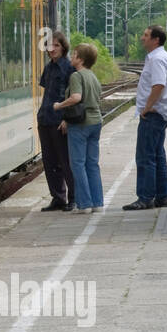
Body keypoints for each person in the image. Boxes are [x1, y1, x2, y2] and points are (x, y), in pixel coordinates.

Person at [123, 24, 167, 210]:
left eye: (146, 35)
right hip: (162, 113)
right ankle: (163, 196)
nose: (142, 38)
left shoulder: (156, 59)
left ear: (156, 39)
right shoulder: (164, 57)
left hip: (154, 114)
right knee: (157, 155)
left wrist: (147, 108)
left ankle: (145, 197)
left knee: (145, 156)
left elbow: (158, 85)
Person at [54, 42, 103, 214]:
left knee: (77, 164)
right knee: (92, 164)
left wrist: (59, 106)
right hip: (96, 122)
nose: (71, 57)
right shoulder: (92, 76)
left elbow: (76, 98)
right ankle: (97, 203)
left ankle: (84, 204)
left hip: (81, 125)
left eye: (74, 55)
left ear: (80, 59)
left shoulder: (76, 76)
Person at [36, 30, 75, 212]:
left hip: (60, 121)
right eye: (49, 45)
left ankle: (73, 198)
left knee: (65, 161)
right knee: (50, 162)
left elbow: (74, 96)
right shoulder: (49, 67)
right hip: (45, 119)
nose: (52, 49)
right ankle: (58, 197)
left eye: (56, 45)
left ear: (63, 47)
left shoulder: (69, 68)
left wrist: (67, 119)